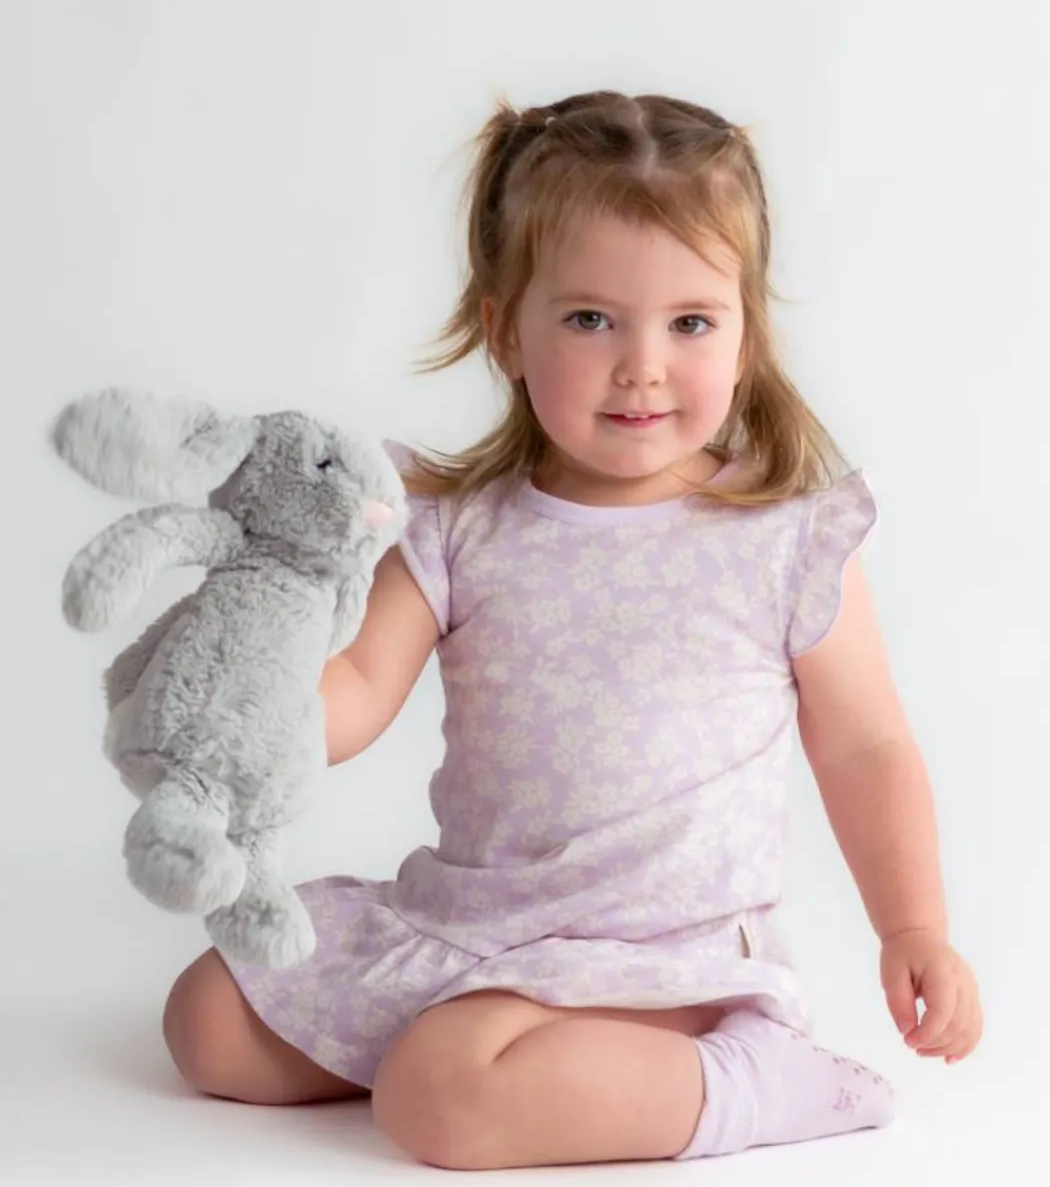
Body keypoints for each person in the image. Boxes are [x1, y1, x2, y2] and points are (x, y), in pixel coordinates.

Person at [160, 90, 983, 1170]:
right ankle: (511, 1059)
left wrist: (913, 927)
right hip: (472, 922)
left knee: (442, 1095)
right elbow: (355, 686)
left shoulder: (780, 534)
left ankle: (755, 1076)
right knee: (209, 1019)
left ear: (745, 332)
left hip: (658, 953)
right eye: (591, 319)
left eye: (690, 322)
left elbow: (865, 742)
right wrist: (243, 695)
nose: (643, 364)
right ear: (505, 327)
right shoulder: (457, 526)